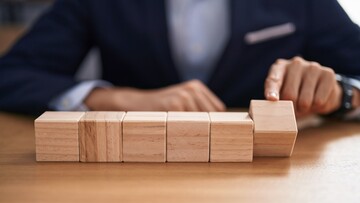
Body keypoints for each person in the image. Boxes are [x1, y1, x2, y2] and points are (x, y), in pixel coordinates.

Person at [0, 0, 359, 118]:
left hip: (273, 186)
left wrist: (341, 94)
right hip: (131, 183)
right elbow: (11, 74)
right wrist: (115, 99)